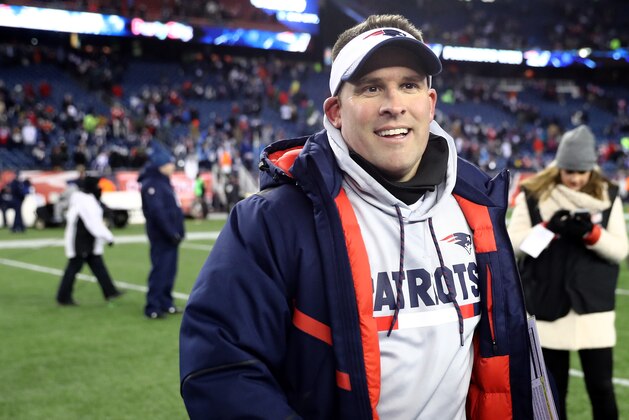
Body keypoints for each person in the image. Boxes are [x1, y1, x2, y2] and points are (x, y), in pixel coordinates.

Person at [180, 14, 534, 419]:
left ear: (430, 103)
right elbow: (220, 370)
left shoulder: (477, 208)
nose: (394, 105)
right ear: (334, 111)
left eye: (409, 85)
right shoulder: (270, 221)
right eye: (371, 88)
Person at [508, 125, 628, 420]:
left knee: (601, 390)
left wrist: (591, 234)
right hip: (547, 309)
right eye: (568, 170)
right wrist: (547, 230)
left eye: (581, 171)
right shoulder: (533, 195)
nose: (574, 178)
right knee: (552, 396)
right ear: (558, 166)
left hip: (594, 311)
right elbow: (512, 246)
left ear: (591, 169)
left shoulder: (608, 195)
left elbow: (620, 251)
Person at [56, 176, 123, 306]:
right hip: (82, 242)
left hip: (87, 241)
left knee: (98, 266)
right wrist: (108, 237)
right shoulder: (87, 202)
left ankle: (110, 291)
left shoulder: (83, 199)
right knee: (74, 267)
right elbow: (94, 224)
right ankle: (63, 297)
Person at [138, 141, 185, 319]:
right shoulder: (152, 184)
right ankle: (153, 306)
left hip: (170, 235)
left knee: (169, 270)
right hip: (161, 236)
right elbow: (158, 213)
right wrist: (171, 231)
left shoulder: (162, 182)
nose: (172, 166)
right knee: (160, 269)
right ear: (161, 165)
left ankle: (166, 302)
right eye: (169, 163)